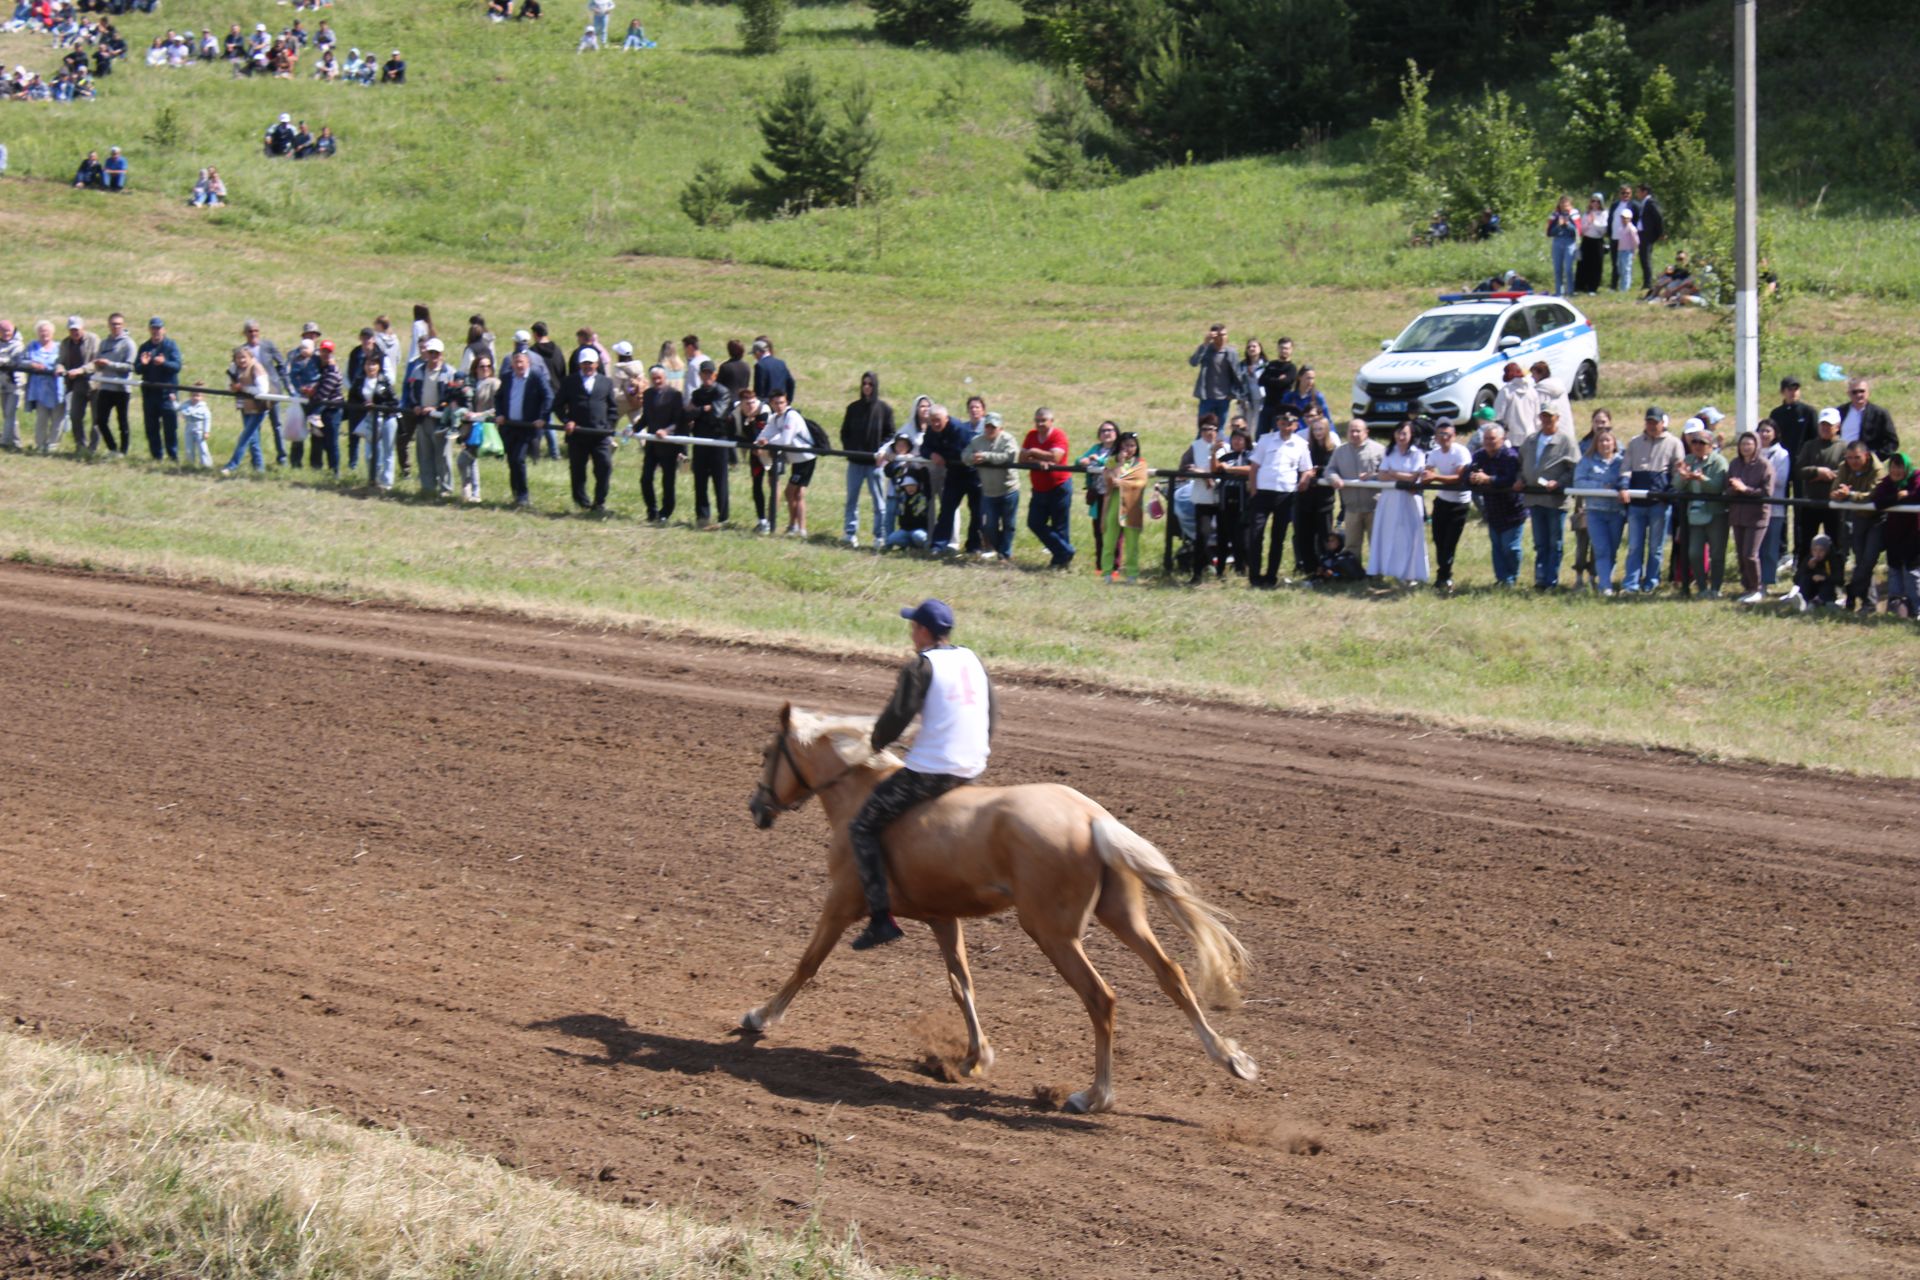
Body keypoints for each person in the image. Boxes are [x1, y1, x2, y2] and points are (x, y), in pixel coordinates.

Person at [845, 598, 996, 952]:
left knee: (862, 825)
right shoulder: (972, 659)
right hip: (972, 766)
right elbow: (992, 712)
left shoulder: (921, 666)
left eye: (914, 627)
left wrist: (875, 744)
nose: (912, 634)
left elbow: (897, 717)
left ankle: (881, 918)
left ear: (925, 631)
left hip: (933, 773)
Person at [1244, 411, 1313, 588]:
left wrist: (1305, 478)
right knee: (1255, 535)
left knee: (1278, 537)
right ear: (1277, 422)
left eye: (1290, 422)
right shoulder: (1265, 440)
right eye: (1283, 421)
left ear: (1296, 425)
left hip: (1285, 494)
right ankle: (1254, 576)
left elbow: (1307, 468)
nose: (1286, 425)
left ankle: (1270, 577)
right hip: (1262, 493)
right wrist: (1253, 489)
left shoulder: (1301, 444)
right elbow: (1254, 467)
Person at [1620, 406, 1683, 593]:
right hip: (1636, 502)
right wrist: (1623, 486)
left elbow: (1677, 471)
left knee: (1656, 547)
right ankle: (1631, 583)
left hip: (1659, 503)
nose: (1652, 425)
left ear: (1663, 423)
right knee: (1634, 545)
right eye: (1649, 422)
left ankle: (1651, 581)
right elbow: (1626, 467)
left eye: (1655, 422)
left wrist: (1669, 492)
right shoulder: (1634, 443)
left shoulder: (1674, 443)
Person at [1520, 405, 1579, 589]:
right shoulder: (1530, 440)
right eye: (1544, 416)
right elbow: (1520, 464)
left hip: (1555, 500)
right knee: (1540, 542)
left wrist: (1559, 483)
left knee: (1555, 542)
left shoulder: (1566, 441)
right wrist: (1520, 479)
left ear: (1557, 418)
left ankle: (1551, 580)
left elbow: (1575, 469)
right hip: (1534, 498)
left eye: (1550, 417)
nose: (1546, 420)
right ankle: (1540, 578)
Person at [1369, 419, 1429, 583]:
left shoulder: (1418, 453)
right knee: (1389, 535)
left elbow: (1413, 477)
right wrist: (1400, 475)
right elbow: (1381, 476)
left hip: (1409, 499)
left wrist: (1393, 473)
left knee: (1410, 535)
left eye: (1404, 433)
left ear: (1411, 436)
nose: (1401, 437)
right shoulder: (1390, 451)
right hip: (1390, 500)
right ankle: (1389, 569)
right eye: (1398, 433)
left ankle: (1411, 574)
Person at [1572, 421, 1628, 594]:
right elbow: (1578, 482)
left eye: (1608, 441)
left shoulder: (1621, 462)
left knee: (1612, 549)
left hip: (1616, 513)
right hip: (1595, 512)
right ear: (1596, 444)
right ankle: (1605, 586)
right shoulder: (1587, 462)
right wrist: (1601, 486)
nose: (1605, 444)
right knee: (1601, 549)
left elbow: (1627, 478)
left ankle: (1605, 578)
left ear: (1614, 443)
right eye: (1601, 441)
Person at [1674, 423, 1729, 598]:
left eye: (1701, 443)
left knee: (1717, 553)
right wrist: (1683, 477)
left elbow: (1718, 487)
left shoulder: (1719, 462)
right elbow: (1676, 485)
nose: (1697, 446)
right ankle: (1702, 589)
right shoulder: (1689, 460)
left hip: (1716, 514)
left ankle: (1716, 589)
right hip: (1695, 515)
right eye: (1694, 442)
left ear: (1710, 445)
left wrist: (1702, 478)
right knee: (1694, 553)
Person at [560, 347, 618, 511]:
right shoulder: (569, 382)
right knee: (577, 469)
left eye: (591, 364)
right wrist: (567, 421)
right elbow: (557, 405)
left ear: (597, 364)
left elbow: (613, 408)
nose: (588, 367)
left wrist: (609, 427)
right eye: (584, 364)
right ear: (580, 364)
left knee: (604, 466)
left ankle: (600, 501)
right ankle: (582, 501)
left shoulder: (606, 382)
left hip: (600, 435)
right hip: (577, 435)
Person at [1466, 424, 1524, 585]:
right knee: (1497, 548)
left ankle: (1511, 577)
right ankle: (1501, 579)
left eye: (1492, 439)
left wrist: (1489, 479)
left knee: (1511, 547)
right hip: (1492, 509)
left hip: (1512, 510)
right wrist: (1471, 478)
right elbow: (1467, 475)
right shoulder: (1478, 456)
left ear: (1502, 439)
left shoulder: (1510, 456)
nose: (1489, 442)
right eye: (1486, 439)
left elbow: (1510, 479)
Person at [839, 371, 891, 546]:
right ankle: (850, 532)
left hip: (875, 464)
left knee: (879, 501)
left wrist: (881, 452)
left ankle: (880, 535)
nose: (867, 387)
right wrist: (850, 450)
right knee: (851, 499)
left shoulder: (884, 409)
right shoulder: (853, 408)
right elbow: (844, 432)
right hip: (855, 462)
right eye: (864, 384)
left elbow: (890, 435)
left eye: (870, 384)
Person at [1795, 407, 1849, 577]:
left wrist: (1827, 475)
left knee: (1836, 543)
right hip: (1811, 502)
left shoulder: (1844, 448)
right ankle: (1802, 580)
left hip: (1834, 505)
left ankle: (1836, 580)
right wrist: (1817, 472)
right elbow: (1798, 470)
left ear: (1838, 426)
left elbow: (1845, 473)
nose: (1826, 428)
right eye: (1823, 425)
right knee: (1805, 543)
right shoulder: (1809, 445)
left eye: (1830, 425)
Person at [494, 349, 551, 507]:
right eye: (516, 362)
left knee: (519, 459)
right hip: (510, 426)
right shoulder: (507, 378)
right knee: (512, 460)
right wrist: (500, 414)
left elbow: (548, 396)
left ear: (528, 363)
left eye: (521, 362)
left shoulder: (535, 377)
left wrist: (542, 417)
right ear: (512, 363)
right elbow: (498, 397)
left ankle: (523, 496)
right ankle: (516, 493)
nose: (519, 365)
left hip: (527, 427)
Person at [1828, 441, 1881, 613]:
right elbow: (1834, 490)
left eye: (1857, 457)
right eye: (1849, 458)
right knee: (1861, 561)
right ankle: (1868, 602)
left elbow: (1874, 496)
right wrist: (1838, 494)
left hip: (1878, 520)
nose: (1853, 461)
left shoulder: (1878, 469)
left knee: (1868, 561)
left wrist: (1849, 495)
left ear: (1866, 455)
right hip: (1858, 517)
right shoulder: (1844, 466)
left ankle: (1851, 592)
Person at [1421, 419, 1472, 591]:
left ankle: (1444, 576)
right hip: (1442, 501)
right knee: (1438, 539)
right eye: (1440, 435)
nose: (1444, 438)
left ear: (1454, 435)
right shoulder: (1435, 453)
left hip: (1459, 503)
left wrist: (1435, 478)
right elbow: (1428, 471)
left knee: (1450, 542)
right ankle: (1442, 575)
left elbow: (1459, 478)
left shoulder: (1461, 452)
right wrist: (1429, 474)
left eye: (1448, 435)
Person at [403, 338, 458, 496]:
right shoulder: (418, 370)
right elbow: (412, 390)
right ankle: (428, 487)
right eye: (431, 352)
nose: (433, 356)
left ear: (441, 354)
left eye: (436, 353)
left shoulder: (449, 372)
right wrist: (415, 406)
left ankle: (446, 489)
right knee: (424, 454)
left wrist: (436, 408)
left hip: (440, 420)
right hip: (422, 419)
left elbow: (451, 397)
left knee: (443, 455)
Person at [1021, 405, 1074, 568]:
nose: (1040, 424)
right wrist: (1038, 461)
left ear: (1051, 421)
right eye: (1037, 421)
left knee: (1060, 525)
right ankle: (1066, 551)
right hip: (1039, 489)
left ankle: (1060, 561)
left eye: (1043, 421)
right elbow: (1022, 458)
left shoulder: (1059, 435)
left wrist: (1034, 451)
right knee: (1034, 522)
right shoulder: (1031, 435)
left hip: (1059, 487)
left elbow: (1055, 457)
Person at [1325, 417, 1384, 563]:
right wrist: (1334, 478)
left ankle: (1377, 573)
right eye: (1352, 431)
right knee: (1351, 545)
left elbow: (1388, 472)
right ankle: (1353, 573)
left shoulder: (1379, 450)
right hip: (1351, 508)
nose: (1355, 434)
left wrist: (1373, 476)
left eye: (1358, 431)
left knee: (1376, 543)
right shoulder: (1340, 451)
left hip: (1374, 507)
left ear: (1366, 432)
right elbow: (1329, 469)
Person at [1725, 429, 1775, 603]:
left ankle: (1757, 588)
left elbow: (1767, 492)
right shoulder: (1734, 464)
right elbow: (1727, 488)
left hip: (1757, 516)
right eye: (1743, 444)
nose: (1746, 447)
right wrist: (1734, 489)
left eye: (1749, 444)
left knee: (1750, 554)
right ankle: (1746, 587)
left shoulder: (1764, 465)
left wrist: (1745, 489)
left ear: (1756, 446)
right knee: (1740, 553)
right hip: (1737, 515)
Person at [757, 389, 813, 537]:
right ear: (771, 404)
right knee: (791, 493)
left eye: (782, 402)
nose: (779, 405)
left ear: (786, 402)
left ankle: (801, 529)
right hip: (796, 460)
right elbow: (765, 434)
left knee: (796, 493)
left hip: (806, 458)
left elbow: (785, 440)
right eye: (776, 403)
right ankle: (793, 526)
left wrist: (767, 443)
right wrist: (759, 442)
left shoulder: (791, 416)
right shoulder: (775, 418)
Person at [1871, 454, 1920, 619]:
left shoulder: (1916, 477)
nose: (1896, 471)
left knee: (1911, 573)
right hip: (1893, 536)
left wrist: (1907, 496)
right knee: (1894, 571)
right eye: (1893, 466)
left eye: (1900, 467)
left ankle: (1916, 609)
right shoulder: (1887, 482)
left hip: (1914, 535)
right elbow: (1878, 501)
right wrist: (1897, 497)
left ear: (1906, 468)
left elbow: (1917, 495)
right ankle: (1895, 609)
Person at [686, 358, 733, 527]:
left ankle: (723, 517)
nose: (706, 377)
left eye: (709, 374)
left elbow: (717, 415)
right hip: (700, 440)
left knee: (720, 481)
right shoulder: (697, 394)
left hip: (718, 441)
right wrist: (704, 409)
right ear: (699, 375)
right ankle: (702, 516)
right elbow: (687, 415)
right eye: (703, 374)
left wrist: (699, 412)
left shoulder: (723, 392)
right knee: (700, 480)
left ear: (715, 375)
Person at [635, 364, 685, 523]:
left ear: (665, 378)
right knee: (645, 478)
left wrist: (666, 431)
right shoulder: (648, 394)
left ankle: (665, 512)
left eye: (659, 378)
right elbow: (646, 418)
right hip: (651, 445)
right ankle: (652, 510)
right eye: (654, 378)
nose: (657, 381)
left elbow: (679, 421)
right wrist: (633, 428)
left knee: (668, 481)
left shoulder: (675, 395)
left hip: (668, 445)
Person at [1100, 431, 1150, 583]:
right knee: (1109, 541)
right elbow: (1109, 479)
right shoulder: (1112, 461)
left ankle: (1132, 573)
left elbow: (1141, 482)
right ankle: (1107, 572)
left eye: (1132, 445)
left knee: (1132, 543)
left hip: (1132, 507)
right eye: (1125, 445)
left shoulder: (1140, 464)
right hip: (1113, 504)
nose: (1128, 449)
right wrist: (1119, 464)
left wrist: (1122, 483)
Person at [970, 413, 1019, 561]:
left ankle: (1004, 553)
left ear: (1000, 428)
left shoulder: (1008, 439)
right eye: (987, 426)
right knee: (989, 526)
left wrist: (985, 456)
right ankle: (1001, 549)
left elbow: (1009, 456)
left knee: (1009, 524)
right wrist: (972, 457)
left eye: (993, 427)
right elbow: (964, 455)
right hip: (989, 492)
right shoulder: (976, 441)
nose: (990, 429)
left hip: (1009, 489)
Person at [220, 345, 272, 474]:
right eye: (238, 358)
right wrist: (232, 387)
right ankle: (260, 469)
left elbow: (262, 390)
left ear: (250, 357)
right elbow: (228, 385)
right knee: (253, 439)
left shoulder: (256, 367)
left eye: (243, 357)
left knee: (245, 437)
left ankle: (232, 465)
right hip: (244, 407)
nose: (241, 360)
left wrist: (243, 388)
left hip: (259, 407)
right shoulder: (235, 368)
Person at [1183, 415, 1223, 582]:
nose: (1210, 433)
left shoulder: (1224, 447)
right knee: (1202, 534)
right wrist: (1202, 474)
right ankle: (1197, 573)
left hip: (1222, 497)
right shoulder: (1195, 446)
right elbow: (1184, 467)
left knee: (1224, 535)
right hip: (1202, 498)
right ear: (1201, 430)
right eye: (1206, 429)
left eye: (1213, 429)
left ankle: (1221, 571)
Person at [135, 317, 181, 461]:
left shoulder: (171, 346)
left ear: (164, 330)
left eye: (158, 328)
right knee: (151, 427)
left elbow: (177, 367)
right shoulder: (144, 347)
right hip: (149, 394)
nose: (156, 331)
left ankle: (173, 456)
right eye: (153, 328)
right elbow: (137, 369)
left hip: (167, 394)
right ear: (149, 330)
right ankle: (157, 456)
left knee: (170, 427)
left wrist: (164, 363)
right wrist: (143, 364)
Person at [89, 312, 133, 456]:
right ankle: (112, 448)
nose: (116, 327)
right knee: (100, 421)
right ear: (109, 325)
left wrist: (110, 364)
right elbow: (98, 362)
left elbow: (130, 367)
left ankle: (124, 451)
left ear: (123, 325)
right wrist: (100, 364)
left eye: (119, 324)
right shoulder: (104, 343)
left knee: (122, 422)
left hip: (122, 388)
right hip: (106, 386)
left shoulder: (128, 344)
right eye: (113, 324)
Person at [1076, 420, 1117, 572]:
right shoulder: (1096, 448)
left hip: (1114, 495)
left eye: (1110, 430)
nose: (1107, 433)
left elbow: (1114, 462)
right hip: (1098, 495)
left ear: (1116, 433)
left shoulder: (1119, 449)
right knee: (1098, 531)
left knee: (1113, 531)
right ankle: (1100, 566)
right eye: (1103, 431)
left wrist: (1097, 460)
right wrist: (1083, 460)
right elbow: (1079, 460)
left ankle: (1114, 567)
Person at [1214, 421, 1253, 576]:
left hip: (1244, 503)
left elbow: (1251, 469)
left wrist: (1230, 469)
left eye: (1240, 439)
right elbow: (1215, 469)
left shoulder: (1252, 456)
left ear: (1246, 441)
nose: (1237, 442)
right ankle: (1220, 570)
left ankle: (1242, 569)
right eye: (1234, 439)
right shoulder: (1226, 456)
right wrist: (1213, 453)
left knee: (1241, 539)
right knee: (1222, 537)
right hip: (1225, 501)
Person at [21, 321, 65, 454]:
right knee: (42, 418)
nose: (44, 333)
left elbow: (65, 362)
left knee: (58, 417)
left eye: (47, 331)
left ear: (52, 333)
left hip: (57, 388)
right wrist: (32, 364)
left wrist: (60, 367)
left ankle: (53, 445)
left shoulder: (60, 347)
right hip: (39, 389)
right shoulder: (32, 346)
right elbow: (22, 360)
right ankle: (40, 444)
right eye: (41, 331)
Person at [1757, 419, 1791, 588]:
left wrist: (1757, 480)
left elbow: (1781, 480)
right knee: (1755, 547)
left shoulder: (1782, 454)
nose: (1764, 434)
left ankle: (1768, 580)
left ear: (1775, 434)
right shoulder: (1752, 452)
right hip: (1753, 508)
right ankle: (1754, 579)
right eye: (1761, 430)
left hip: (1774, 508)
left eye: (1768, 431)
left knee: (1770, 547)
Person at [57, 316, 97, 453]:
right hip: (76, 385)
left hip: (94, 384)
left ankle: (93, 448)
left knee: (97, 419)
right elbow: (60, 360)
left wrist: (81, 370)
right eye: (72, 329)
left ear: (82, 328)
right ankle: (80, 446)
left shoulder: (93, 340)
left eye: (77, 329)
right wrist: (60, 367)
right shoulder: (65, 343)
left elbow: (96, 362)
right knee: (75, 416)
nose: (75, 332)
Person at [1188, 323, 1240, 427]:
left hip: (1224, 398)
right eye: (1220, 335)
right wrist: (1205, 344)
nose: (1223, 338)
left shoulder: (1231, 352)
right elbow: (1193, 362)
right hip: (1207, 397)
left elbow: (1237, 375)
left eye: (1225, 335)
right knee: (1204, 429)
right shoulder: (1206, 350)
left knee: (1219, 430)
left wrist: (1232, 394)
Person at [1835, 377, 1898, 460]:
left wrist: (1875, 459)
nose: (1858, 395)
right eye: (1854, 392)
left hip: (1867, 465)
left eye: (1862, 391)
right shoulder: (1839, 412)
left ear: (1868, 392)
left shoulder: (1879, 414)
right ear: (1848, 394)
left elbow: (1892, 442)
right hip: (1842, 461)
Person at [1255, 337, 1297, 437]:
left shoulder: (1291, 368)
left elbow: (1284, 383)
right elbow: (1261, 381)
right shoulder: (1271, 364)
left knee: (1277, 436)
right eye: (1282, 348)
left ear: (1291, 350)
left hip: (1281, 408)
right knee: (1260, 436)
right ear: (1278, 349)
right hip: (1267, 406)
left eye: (1287, 348)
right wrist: (1277, 379)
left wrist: (1272, 379)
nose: (1284, 351)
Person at [1491, 362, 1537, 450]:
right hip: (1531, 436)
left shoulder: (1506, 391)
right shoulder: (1532, 391)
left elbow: (1498, 416)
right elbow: (1537, 417)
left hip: (1511, 438)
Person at [884, 472, 930, 550]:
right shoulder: (902, 497)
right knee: (892, 538)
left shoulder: (923, 497)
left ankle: (923, 546)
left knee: (918, 536)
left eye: (913, 485)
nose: (910, 488)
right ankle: (911, 546)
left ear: (918, 485)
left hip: (920, 529)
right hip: (905, 530)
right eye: (907, 486)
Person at [1574, 192, 1608, 295]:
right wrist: (1588, 223)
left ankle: (1593, 287)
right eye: (1593, 201)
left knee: (1596, 264)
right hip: (1587, 239)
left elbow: (1603, 230)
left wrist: (1594, 222)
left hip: (1597, 240)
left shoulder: (1604, 213)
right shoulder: (1587, 213)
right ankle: (1580, 286)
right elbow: (1582, 229)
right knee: (1583, 264)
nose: (1595, 203)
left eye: (1598, 201)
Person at [1607, 183, 1638, 291]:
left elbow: (1637, 221)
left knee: (1625, 265)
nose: (1625, 195)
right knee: (1615, 263)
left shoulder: (1634, 205)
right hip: (1614, 237)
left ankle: (1625, 286)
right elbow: (1610, 219)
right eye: (1623, 193)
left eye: (1628, 193)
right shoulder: (1615, 205)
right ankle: (1613, 285)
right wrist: (1609, 233)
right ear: (1619, 194)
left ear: (1631, 194)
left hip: (1626, 239)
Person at [1546, 195, 1579, 297]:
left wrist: (1567, 224)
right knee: (1557, 268)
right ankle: (1559, 292)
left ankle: (1570, 291)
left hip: (1569, 242)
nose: (1564, 206)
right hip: (1557, 242)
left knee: (1568, 268)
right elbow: (1549, 232)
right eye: (1562, 204)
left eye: (1566, 204)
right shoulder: (1555, 215)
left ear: (1570, 205)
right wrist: (1558, 225)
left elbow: (1576, 231)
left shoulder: (1574, 214)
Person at [1634, 183, 1664, 292]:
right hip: (1642, 233)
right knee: (1642, 257)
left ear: (1644, 192)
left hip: (1648, 234)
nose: (1637, 194)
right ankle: (1646, 281)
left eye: (1638, 191)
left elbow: (1658, 216)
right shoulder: (1644, 203)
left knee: (1645, 258)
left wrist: (1660, 233)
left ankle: (1648, 283)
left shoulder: (1651, 203)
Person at [750, 336, 793, 403]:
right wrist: (788, 401)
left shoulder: (760, 365)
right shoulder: (781, 363)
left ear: (758, 352)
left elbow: (759, 390)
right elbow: (791, 383)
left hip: (768, 404)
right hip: (781, 403)